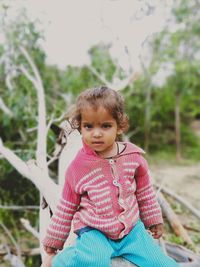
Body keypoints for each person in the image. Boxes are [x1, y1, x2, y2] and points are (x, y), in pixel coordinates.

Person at [42, 86, 179, 267]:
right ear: (80, 127)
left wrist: (153, 220)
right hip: (95, 232)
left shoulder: (133, 158)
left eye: (105, 126)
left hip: (132, 233)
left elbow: (145, 192)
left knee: (164, 264)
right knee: (95, 260)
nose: (96, 133)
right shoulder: (78, 168)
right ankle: (58, 262)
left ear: (119, 126)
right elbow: (66, 207)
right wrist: (54, 240)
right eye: (88, 126)